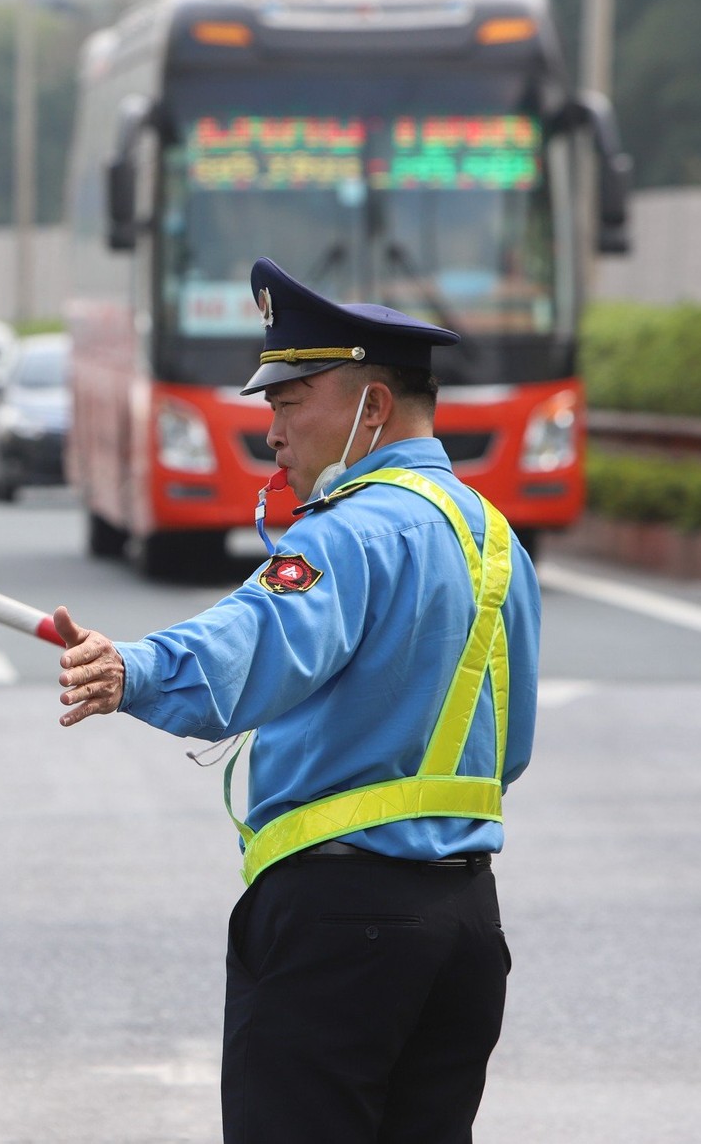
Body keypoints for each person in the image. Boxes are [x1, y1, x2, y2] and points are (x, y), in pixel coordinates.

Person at [51, 256, 540, 1144]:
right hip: (466, 924)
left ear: (372, 408)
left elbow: (256, 643)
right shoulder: (492, 536)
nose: (271, 430)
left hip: (340, 925)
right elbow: (509, 749)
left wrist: (133, 668)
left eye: (289, 403)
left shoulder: (351, 531)